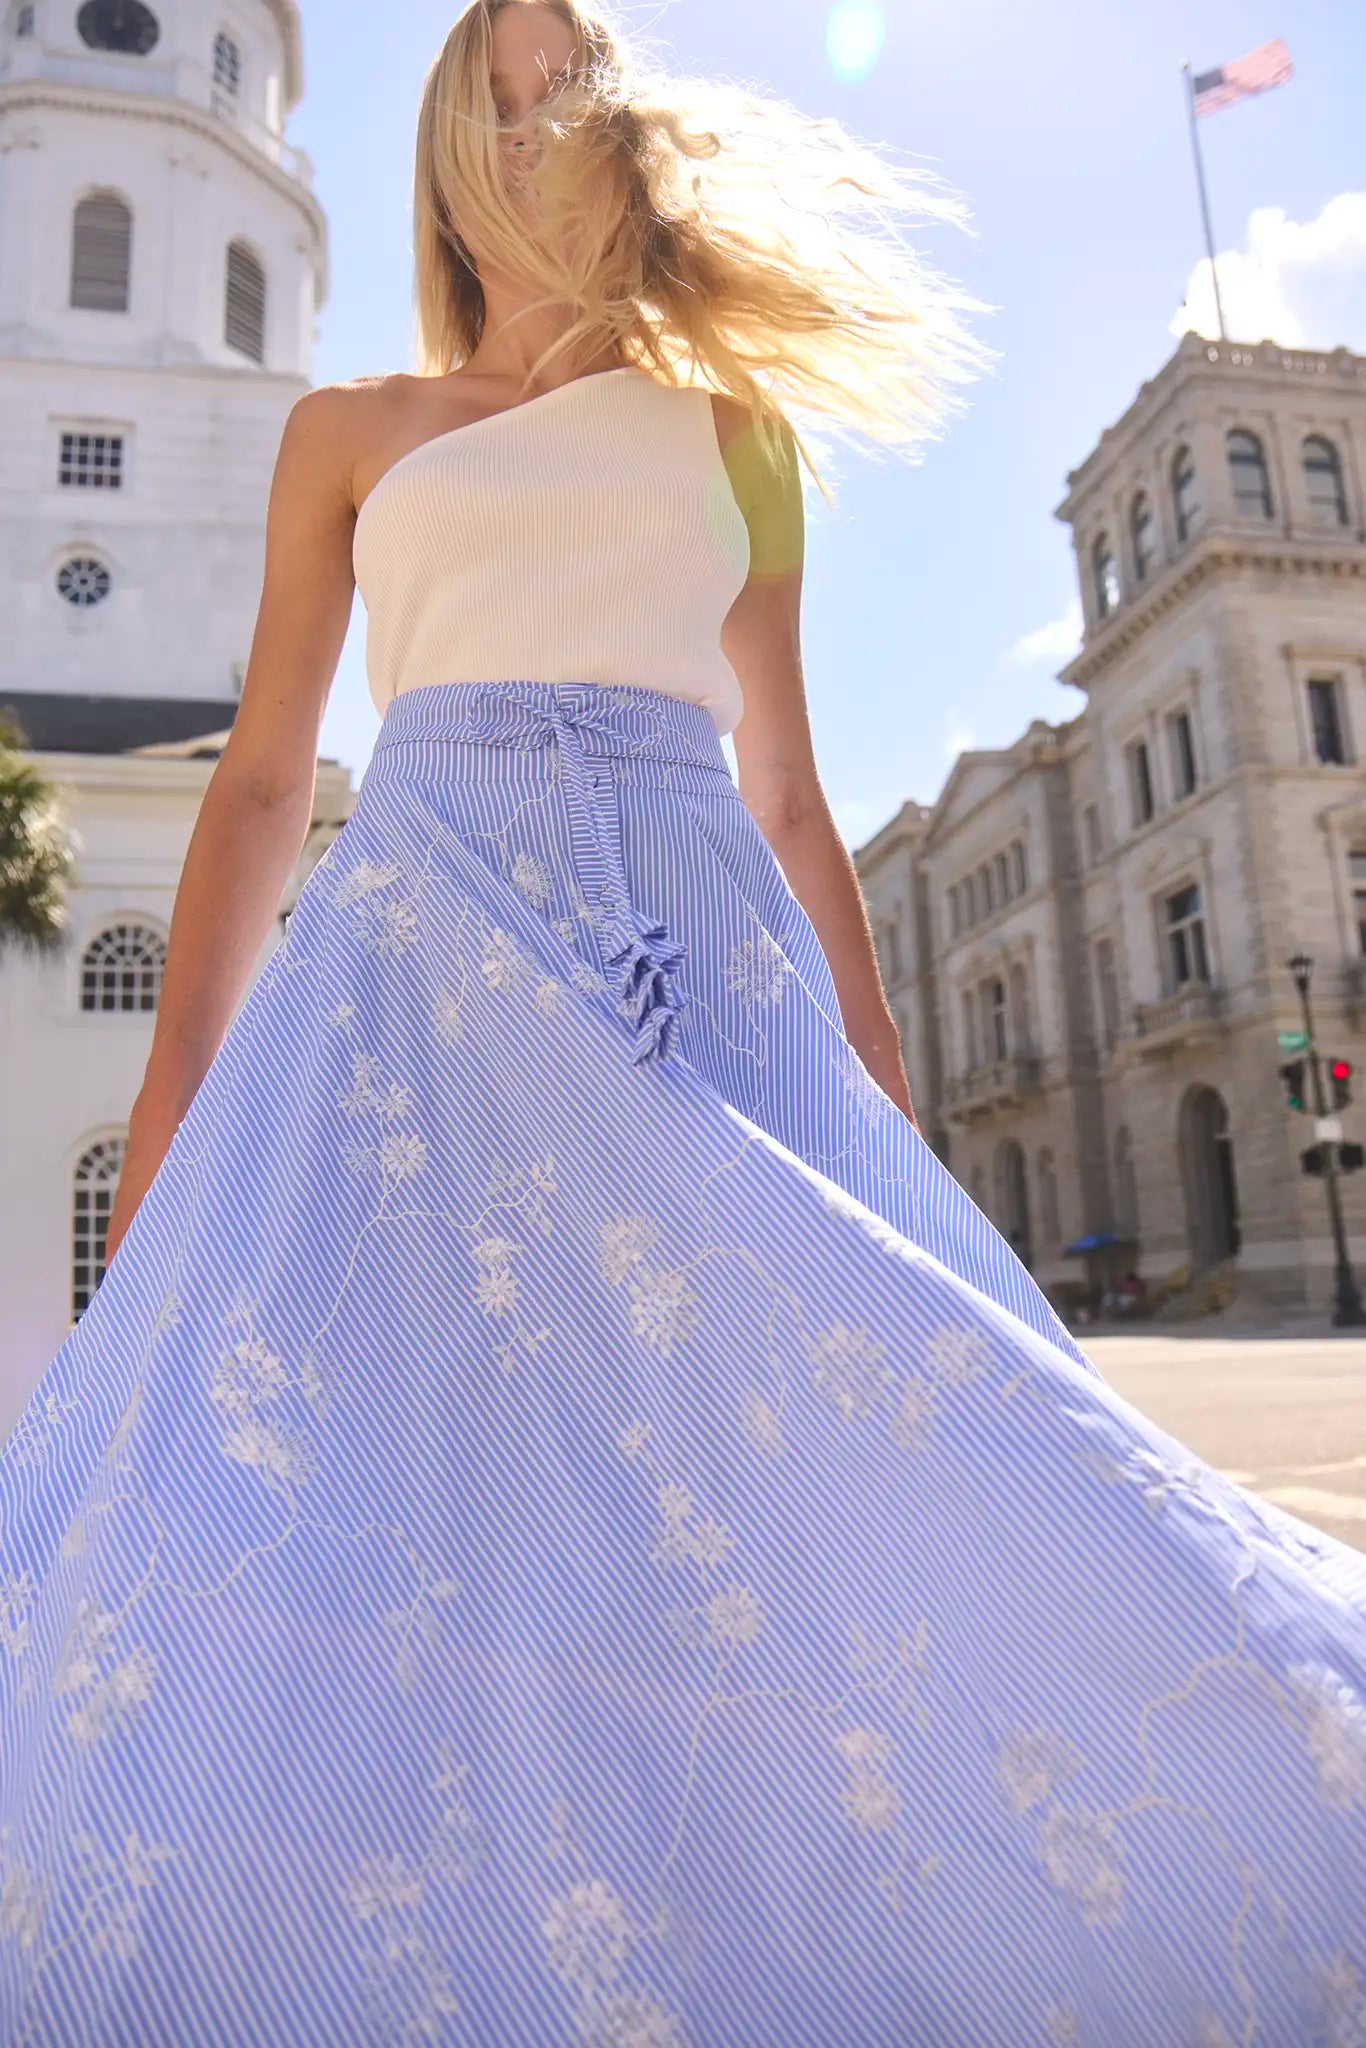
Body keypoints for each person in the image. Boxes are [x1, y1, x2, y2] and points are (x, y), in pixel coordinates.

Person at [3, 4, 1364, 2041]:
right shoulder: (350, 430)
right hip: (418, 999)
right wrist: (177, 1074)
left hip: (679, 979)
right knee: (431, 1486)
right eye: (511, 72)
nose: (551, 105)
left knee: (759, 1476)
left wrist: (884, 1099)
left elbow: (794, 800)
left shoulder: (741, 436)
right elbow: (269, 778)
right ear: (452, 133)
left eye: (581, 71)